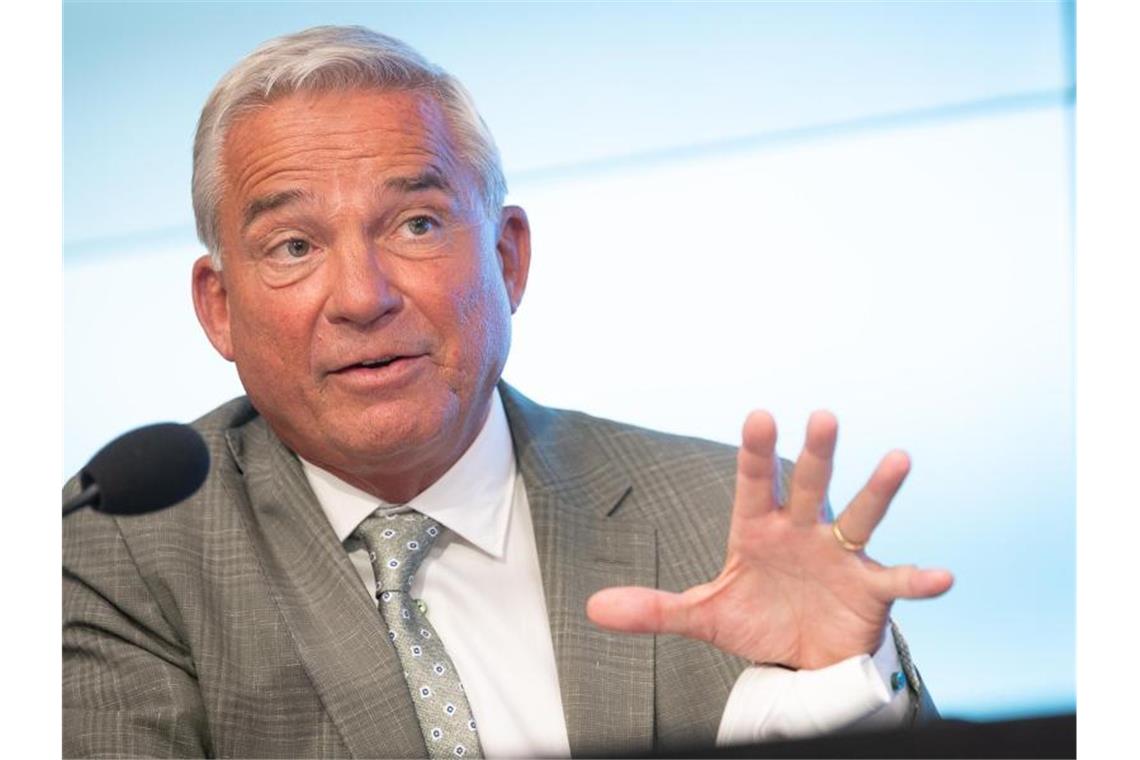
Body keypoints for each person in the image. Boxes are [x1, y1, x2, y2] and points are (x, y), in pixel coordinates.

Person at [62, 25, 953, 758]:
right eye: (293, 246)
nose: (363, 297)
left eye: (416, 224)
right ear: (219, 308)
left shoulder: (720, 517)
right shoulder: (116, 557)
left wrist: (844, 686)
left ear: (507, 257)